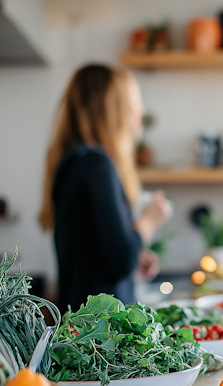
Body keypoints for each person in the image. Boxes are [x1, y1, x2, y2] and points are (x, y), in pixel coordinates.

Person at [38, 64, 172, 311]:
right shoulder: (97, 164)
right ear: (114, 109)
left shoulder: (75, 161)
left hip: (83, 324)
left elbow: (94, 252)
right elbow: (120, 260)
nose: (140, 110)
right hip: (102, 333)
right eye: (134, 101)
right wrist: (149, 221)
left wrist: (134, 259)